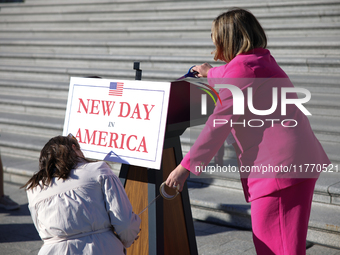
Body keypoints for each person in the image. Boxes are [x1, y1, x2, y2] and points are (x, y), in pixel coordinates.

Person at [166, 8, 330, 255]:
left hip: (279, 171)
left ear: (227, 41)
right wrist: (210, 72)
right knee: (282, 244)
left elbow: (218, 124)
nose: (215, 48)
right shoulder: (260, 61)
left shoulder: (243, 71)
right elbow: (231, 72)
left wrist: (184, 167)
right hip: (294, 164)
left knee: (276, 248)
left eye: (216, 41)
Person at [23, 134, 141, 255]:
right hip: (99, 248)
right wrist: (129, 235)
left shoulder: (34, 188)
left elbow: (42, 231)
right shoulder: (98, 170)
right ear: (74, 148)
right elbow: (124, 221)